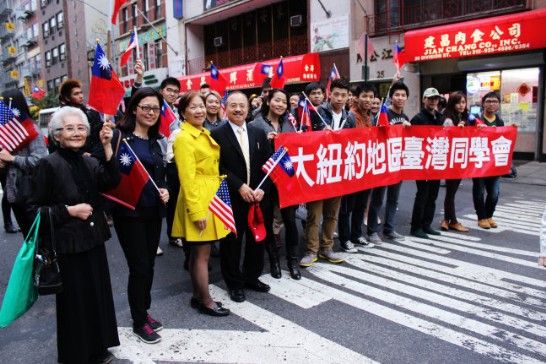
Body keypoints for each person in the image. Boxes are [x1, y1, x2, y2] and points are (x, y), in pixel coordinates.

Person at [27, 106, 121, 364]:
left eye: (81, 128)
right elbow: (33, 210)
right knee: (75, 303)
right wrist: (68, 211)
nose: (77, 132)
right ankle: (76, 355)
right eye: (69, 128)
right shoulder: (48, 164)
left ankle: (99, 348)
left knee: (98, 296)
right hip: (68, 244)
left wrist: (108, 147)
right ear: (56, 135)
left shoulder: (89, 160)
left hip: (93, 240)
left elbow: (111, 181)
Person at [110, 88, 170, 343]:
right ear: (134, 108)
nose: (150, 113)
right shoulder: (119, 138)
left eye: (155, 109)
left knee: (150, 264)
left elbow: (160, 175)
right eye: (145, 107)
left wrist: (165, 189)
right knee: (140, 266)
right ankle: (138, 320)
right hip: (129, 213)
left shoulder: (157, 141)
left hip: (153, 212)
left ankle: (144, 311)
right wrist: (104, 144)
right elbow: (108, 172)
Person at [210, 91, 273, 303]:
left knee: (257, 240)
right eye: (233, 105)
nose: (238, 109)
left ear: (248, 108)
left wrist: (262, 188)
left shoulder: (257, 132)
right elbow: (216, 166)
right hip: (232, 197)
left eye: (242, 105)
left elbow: (268, 163)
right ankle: (234, 283)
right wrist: (238, 186)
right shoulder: (217, 134)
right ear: (225, 108)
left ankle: (251, 277)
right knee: (232, 243)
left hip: (257, 196)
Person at [172, 91, 230, 316]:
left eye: (201, 106)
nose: (199, 111)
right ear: (183, 112)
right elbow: (186, 180)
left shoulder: (202, 132)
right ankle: (206, 301)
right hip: (197, 200)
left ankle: (198, 296)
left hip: (209, 196)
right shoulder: (184, 138)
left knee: (199, 254)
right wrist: (196, 211)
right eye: (193, 107)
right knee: (201, 255)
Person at [300, 78, 352, 268]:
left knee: (332, 214)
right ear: (329, 94)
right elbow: (303, 137)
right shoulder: (316, 113)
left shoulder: (350, 117)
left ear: (348, 97)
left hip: (338, 172)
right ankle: (311, 250)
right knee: (314, 214)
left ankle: (327, 247)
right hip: (318, 171)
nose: (339, 98)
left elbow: (355, 144)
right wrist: (321, 134)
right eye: (336, 94)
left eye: (343, 95)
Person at [251, 88, 301, 280]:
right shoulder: (255, 124)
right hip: (265, 180)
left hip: (286, 179)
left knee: (290, 220)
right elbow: (251, 152)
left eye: (284, 102)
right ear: (268, 101)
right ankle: (274, 261)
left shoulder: (289, 124)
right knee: (269, 221)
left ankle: (292, 261)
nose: (280, 105)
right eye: (277, 100)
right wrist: (265, 141)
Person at [366, 82, 410, 244]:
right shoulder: (383, 115)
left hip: (398, 164)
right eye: (397, 95)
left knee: (394, 199)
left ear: (406, 98)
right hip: (383, 164)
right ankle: (372, 231)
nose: (400, 98)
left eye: (403, 95)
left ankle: (389, 229)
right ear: (391, 98)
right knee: (377, 199)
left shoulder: (406, 118)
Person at [0, 89, 48, 238]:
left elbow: (39, 159)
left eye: (3, 104)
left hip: (30, 193)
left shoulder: (31, 129)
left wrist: (12, 159)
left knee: (37, 238)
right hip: (14, 193)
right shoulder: (7, 131)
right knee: (28, 239)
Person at [337, 83, 376, 253]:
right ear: (356, 97)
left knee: (361, 205)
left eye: (371, 97)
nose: (368, 100)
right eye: (365, 96)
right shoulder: (350, 117)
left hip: (365, 169)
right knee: (347, 206)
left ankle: (357, 234)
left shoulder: (371, 118)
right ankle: (345, 238)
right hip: (350, 169)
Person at [409, 87, 444, 239]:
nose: (433, 101)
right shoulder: (417, 118)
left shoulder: (440, 117)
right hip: (422, 164)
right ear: (424, 100)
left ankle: (426, 224)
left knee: (433, 195)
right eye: (430, 98)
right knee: (422, 195)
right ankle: (416, 227)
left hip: (436, 162)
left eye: (435, 98)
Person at [469, 91, 505, 229]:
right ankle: (481, 217)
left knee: (494, 192)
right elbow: (467, 137)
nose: (491, 104)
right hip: (478, 162)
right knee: (479, 190)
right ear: (483, 103)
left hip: (494, 163)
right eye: (489, 101)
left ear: (498, 105)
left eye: (494, 101)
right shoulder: (475, 119)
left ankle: (489, 215)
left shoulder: (500, 121)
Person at [440, 91, 470, 233]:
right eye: (458, 102)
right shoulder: (448, 118)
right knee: (451, 191)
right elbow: (446, 134)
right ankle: (453, 221)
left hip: (460, 158)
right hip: (451, 160)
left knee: (451, 192)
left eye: (463, 102)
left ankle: (447, 219)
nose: (461, 105)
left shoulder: (465, 116)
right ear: (452, 104)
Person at [56, 79, 102, 154]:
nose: (81, 96)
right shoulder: (60, 117)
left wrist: (93, 155)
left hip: (93, 158)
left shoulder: (91, 113)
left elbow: (99, 138)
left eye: (81, 93)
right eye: (76, 94)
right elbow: (58, 143)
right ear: (67, 98)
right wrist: (81, 154)